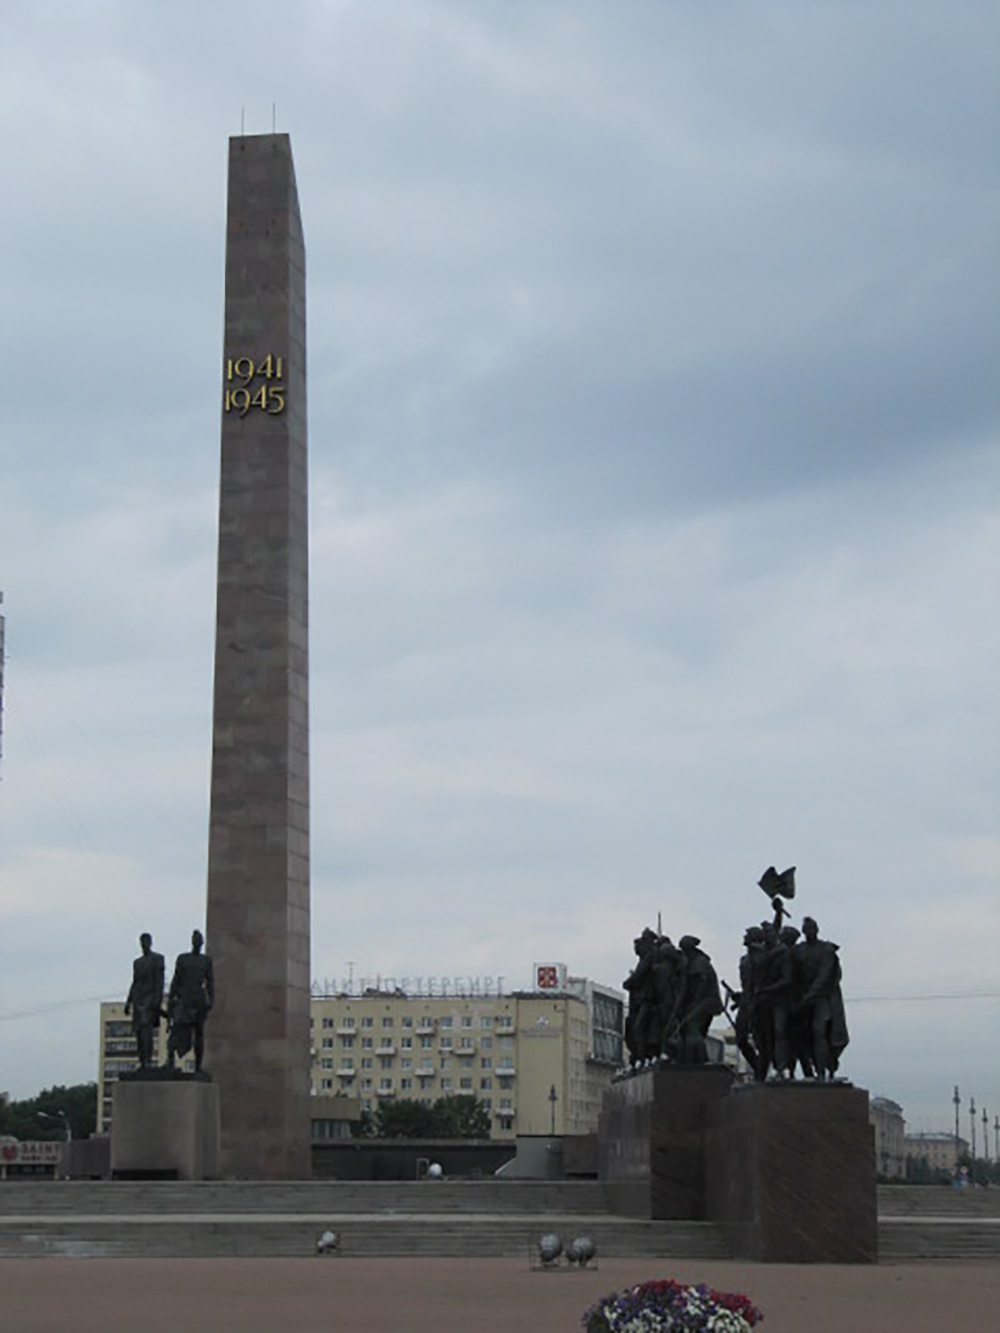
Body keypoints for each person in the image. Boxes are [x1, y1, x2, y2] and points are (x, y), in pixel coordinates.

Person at [792, 916, 849, 1079]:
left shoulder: (826, 950)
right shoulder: (798, 950)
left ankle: (824, 1071)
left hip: (823, 999)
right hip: (803, 1000)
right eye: (806, 929)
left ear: (817, 930)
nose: (809, 932)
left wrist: (809, 996)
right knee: (805, 1035)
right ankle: (816, 1068)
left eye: (812, 929)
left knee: (820, 1032)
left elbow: (825, 975)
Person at [167, 929, 215, 1071]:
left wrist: (211, 1000)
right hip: (184, 999)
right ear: (192, 942)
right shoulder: (183, 959)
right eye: (195, 940)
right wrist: (171, 998)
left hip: (198, 1001)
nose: (197, 943)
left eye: (199, 940)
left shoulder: (206, 961)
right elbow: (176, 980)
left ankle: (198, 1066)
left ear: (202, 943)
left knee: (199, 1033)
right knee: (176, 1030)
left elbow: (210, 981)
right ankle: (170, 1061)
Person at [124, 932, 165, 1069]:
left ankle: (147, 1060)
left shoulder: (158, 959)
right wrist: (128, 1002)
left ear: (150, 942)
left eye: (146, 941)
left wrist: (157, 1000)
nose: (144, 944)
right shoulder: (137, 963)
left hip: (150, 1000)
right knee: (139, 1033)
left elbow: (160, 982)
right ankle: (142, 1061)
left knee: (146, 1031)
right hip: (138, 1000)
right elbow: (135, 982)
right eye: (142, 942)